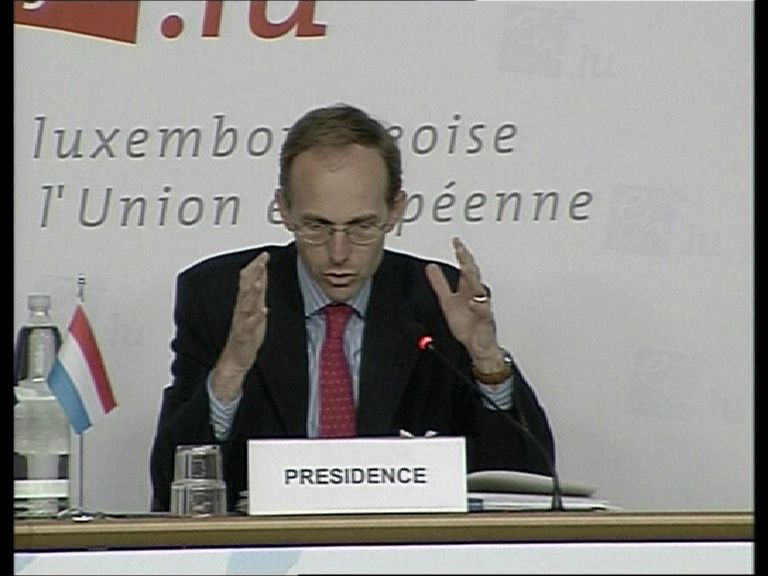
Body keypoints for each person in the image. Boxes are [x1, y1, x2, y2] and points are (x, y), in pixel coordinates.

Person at [149, 103, 555, 512]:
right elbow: (171, 488)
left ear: (395, 210)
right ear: (284, 209)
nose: (339, 253)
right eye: (317, 226)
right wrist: (232, 368)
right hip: (265, 544)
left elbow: (527, 486)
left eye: (361, 226)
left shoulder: (438, 301)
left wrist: (486, 360)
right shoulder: (222, 298)